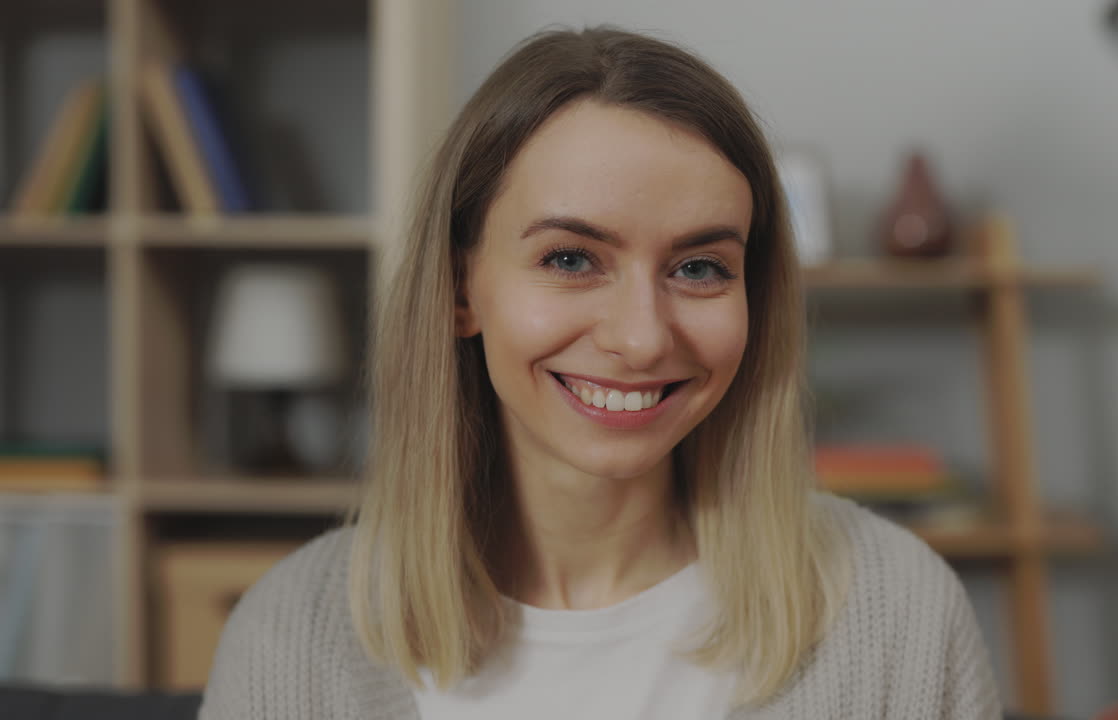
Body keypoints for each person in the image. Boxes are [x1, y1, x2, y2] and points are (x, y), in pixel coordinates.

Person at [198, 26, 1001, 720]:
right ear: (458, 290)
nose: (644, 339)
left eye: (699, 268)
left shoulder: (894, 611)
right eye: (572, 258)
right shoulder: (291, 638)